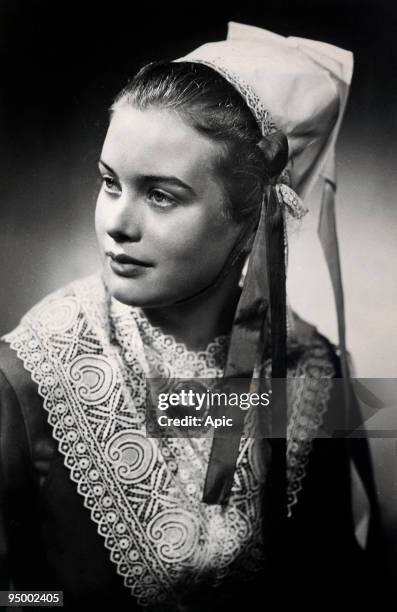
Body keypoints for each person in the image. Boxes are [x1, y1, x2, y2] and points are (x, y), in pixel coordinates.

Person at [0, 22, 388, 611]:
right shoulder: (25, 379)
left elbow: (331, 578)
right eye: (110, 183)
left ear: (250, 217)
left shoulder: (310, 367)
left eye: (161, 195)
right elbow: (15, 595)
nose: (117, 224)